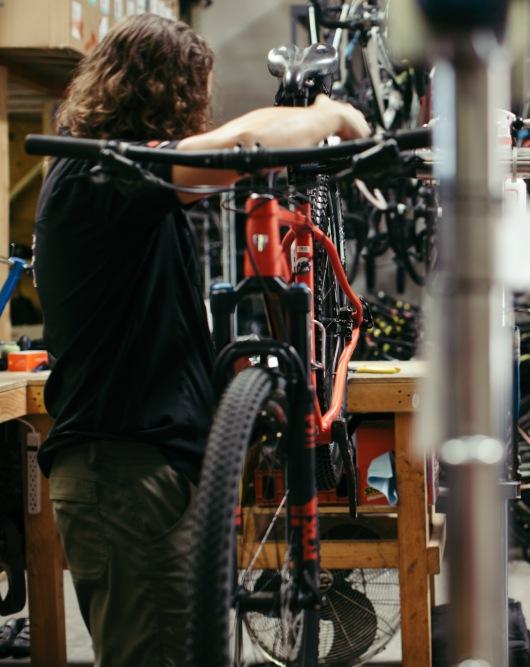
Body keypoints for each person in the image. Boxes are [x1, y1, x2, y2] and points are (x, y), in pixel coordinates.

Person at [33, 14, 369, 667]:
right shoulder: (96, 176)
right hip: (126, 477)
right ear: (168, 91)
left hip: (142, 472)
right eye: (196, 94)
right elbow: (235, 145)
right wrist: (331, 114)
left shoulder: (125, 186)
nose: (200, 111)